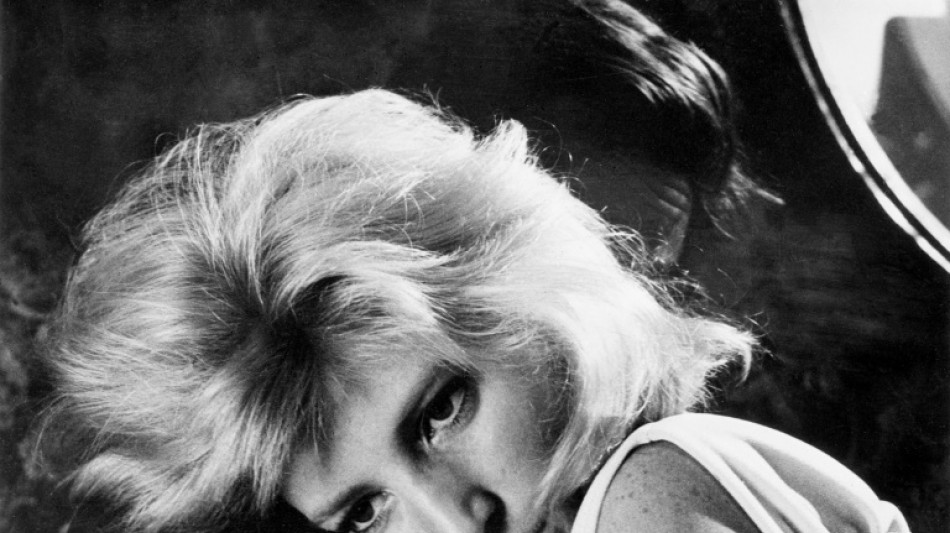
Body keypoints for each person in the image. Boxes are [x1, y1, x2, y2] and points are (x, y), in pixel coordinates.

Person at [37, 88, 908, 533]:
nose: (455, 519)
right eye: (365, 513)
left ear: (522, 295)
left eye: (440, 411)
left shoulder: (645, 493)